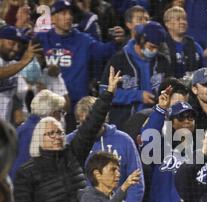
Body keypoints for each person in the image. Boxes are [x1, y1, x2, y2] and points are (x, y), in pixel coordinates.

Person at [8, 66, 121, 202]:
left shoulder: (73, 155)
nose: (57, 136)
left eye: (59, 132)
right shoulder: (28, 172)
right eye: (51, 133)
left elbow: (89, 127)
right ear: (39, 139)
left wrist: (108, 94)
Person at [35, 0, 125, 132]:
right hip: (47, 106)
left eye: (70, 13)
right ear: (52, 18)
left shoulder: (84, 40)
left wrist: (117, 41)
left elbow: (105, 52)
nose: (69, 17)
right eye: (63, 13)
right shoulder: (41, 39)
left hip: (75, 107)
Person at [140, 89, 197, 202]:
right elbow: (148, 138)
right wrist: (159, 110)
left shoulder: (201, 150)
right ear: (172, 123)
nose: (187, 122)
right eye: (181, 118)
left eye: (190, 118)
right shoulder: (159, 148)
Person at [67, 95, 145, 202]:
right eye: (83, 123)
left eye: (93, 122)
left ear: (103, 118)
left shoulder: (124, 140)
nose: (89, 127)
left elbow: (137, 182)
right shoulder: (70, 142)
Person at [100, 21, 172, 130]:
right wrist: (137, 96)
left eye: (157, 47)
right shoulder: (118, 60)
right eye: (151, 47)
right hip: (123, 125)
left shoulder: (162, 61)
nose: (154, 51)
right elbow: (104, 92)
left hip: (155, 125)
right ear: (141, 40)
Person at [9, 89, 66, 181]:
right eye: (61, 112)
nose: (61, 117)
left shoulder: (29, 127)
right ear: (53, 114)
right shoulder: (31, 132)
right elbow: (20, 169)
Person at [0, 23, 41, 120]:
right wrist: (23, 62)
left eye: (19, 45)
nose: (16, 49)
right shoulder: (18, 65)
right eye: (12, 43)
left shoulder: (14, 65)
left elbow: (18, 95)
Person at [163, 6, 203, 79]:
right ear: (167, 23)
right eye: (178, 19)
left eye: (184, 19)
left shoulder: (194, 45)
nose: (183, 22)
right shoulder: (162, 46)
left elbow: (204, 69)